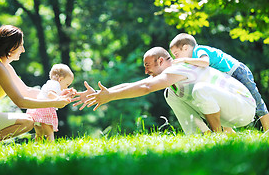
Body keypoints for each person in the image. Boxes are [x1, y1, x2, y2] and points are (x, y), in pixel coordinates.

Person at [77, 47, 256, 134]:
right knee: (171, 93)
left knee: (200, 89)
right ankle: (202, 136)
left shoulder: (178, 68)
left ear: (161, 61)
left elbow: (146, 87)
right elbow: (140, 83)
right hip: (231, 109)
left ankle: (219, 136)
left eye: (148, 66)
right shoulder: (170, 75)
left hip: (243, 107)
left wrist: (110, 97)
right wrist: (105, 93)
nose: (146, 71)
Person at [0, 25, 72, 145]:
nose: (23, 50)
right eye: (21, 45)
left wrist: (59, 95)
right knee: (27, 122)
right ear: (11, 47)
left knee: (28, 121)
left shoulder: (5, 67)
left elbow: (26, 91)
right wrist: (54, 103)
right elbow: (20, 102)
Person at [169, 33, 269, 132]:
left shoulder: (199, 50)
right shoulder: (193, 60)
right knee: (219, 101)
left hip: (237, 72)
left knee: (257, 101)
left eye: (176, 54)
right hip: (226, 78)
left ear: (186, 48)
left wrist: (185, 60)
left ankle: (267, 129)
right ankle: (229, 132)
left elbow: (205, 62)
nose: (176, 58)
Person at [26, 64, 74, 142]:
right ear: (60, 79)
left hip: (37, 109)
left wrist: (68, 94)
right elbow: (50, 94)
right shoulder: (55, 84)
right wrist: (59, 99)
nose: (66, 87)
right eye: (67, 84)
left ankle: (37, 146)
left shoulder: (51, 83)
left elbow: (56, 94)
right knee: (49, 132)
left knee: (39, 133)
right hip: (45, 110)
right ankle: (51, 146)